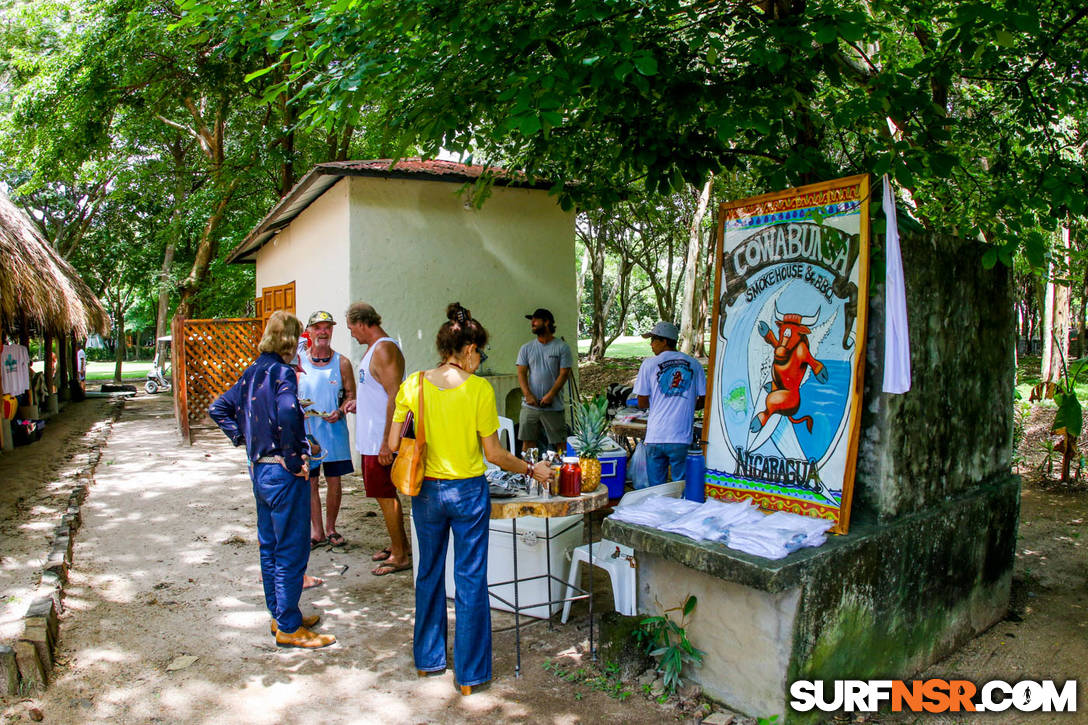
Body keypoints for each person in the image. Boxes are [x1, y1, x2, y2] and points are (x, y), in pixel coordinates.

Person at [389, 303, 552, 694]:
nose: (480, 359)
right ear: (465, 350)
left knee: (428, 574)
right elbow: (494, 454)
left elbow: (395, 443)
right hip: (468, 493)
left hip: (426, 492)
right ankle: (470, 676)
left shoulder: (413, 384)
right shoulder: (478, 390)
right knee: (470, 580)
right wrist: (532, 470)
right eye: (480, 352)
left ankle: (429, 662)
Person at [209, 311, 335, 649]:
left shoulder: (253, 371)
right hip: (282, 472)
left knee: (270, 546)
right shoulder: (282, 373)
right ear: (292, 341)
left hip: (260, 471)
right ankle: (289, 627)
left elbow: (218, 408)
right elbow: (288, 412)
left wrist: (245, 440)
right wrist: (296, 459)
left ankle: (281, 614)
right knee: (292, 548)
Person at [342, 302, 411, 576]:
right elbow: (380, 393)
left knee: (386, 496)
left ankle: (400, 555)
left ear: (362, 323)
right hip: (371, 438)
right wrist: (361, 403)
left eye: (351, 328)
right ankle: (399, 545)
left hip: (380, 441)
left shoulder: (384, 348)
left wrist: (387, 442)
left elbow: (396, 396)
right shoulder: (374, 350)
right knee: (382, 495)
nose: (352, 335)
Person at [297, 310, 356, 549]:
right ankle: (317, 531)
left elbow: (351, 396)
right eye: (318, 327)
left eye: (328, 328)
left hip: (334, 433)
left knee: (334, 481)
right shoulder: (298, 360)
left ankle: (331, 528)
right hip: (308, 433)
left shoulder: (341, 362)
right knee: (310, 481)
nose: (323, 332)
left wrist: (341, 410)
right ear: (309, 331)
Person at [633, 321, 706, 487]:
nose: (651, 345)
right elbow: (703, 399)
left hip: (655, 436)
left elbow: (642, 401)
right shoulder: (694, 364)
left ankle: (659, 511)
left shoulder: (649, 364)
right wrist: (685, 407)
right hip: (681, 437)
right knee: (680, 486)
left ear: (664, 341)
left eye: (653, 340)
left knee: (657, 488)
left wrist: (658, 402)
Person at [515, 308, 573, 454]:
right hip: (530, 406)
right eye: (531, 320)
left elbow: (564, 374)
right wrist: (527, 394)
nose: (532, 323)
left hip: (553, 406)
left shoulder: (562, 347)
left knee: (560, 445)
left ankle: (561, 474)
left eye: (535, 320)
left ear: (547, 322)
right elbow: (521, 372)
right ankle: (530, 474)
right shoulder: (526, 348)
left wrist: (551, 395)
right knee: (528, 444)